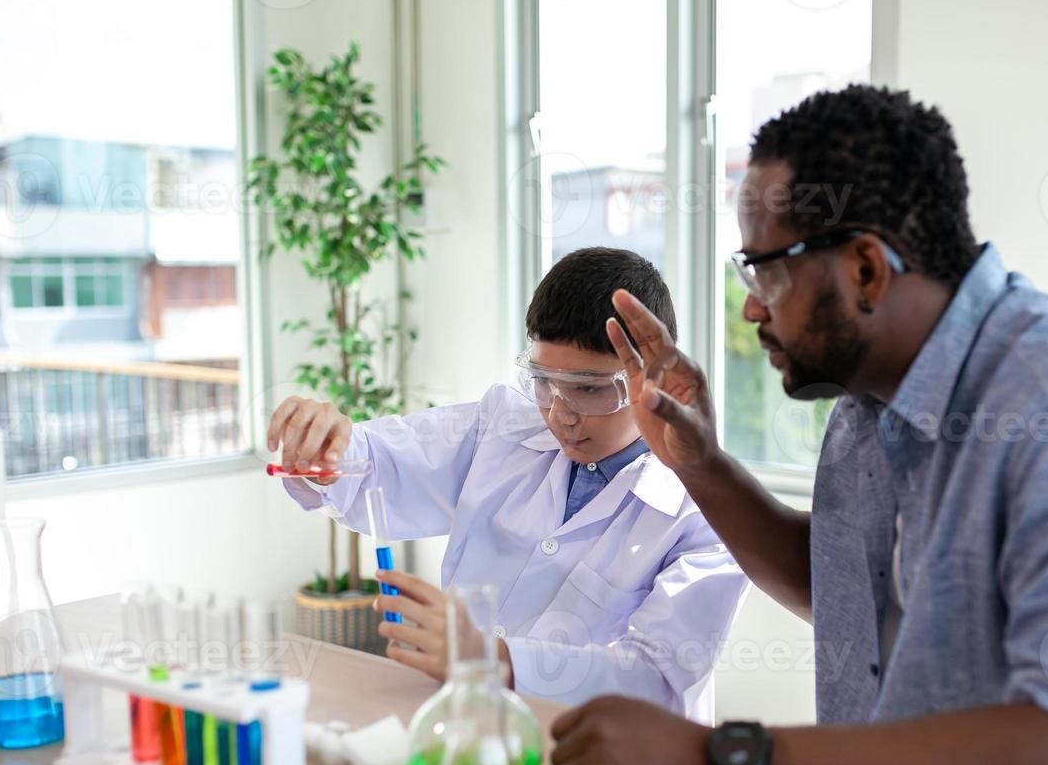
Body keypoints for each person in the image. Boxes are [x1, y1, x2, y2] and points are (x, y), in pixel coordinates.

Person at [548, 85, 1048, 765]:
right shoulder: (866, 411)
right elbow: (847, 599)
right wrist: (700, 463)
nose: (752, 311)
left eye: (765, 272)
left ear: (865, 269)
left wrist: (725, 757)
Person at [267, 247, 749, 721]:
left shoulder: (706, 509)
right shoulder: (502, 427)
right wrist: (328, 446)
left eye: (589, 389)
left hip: (606, 763)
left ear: (653, 379)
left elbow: (657, 681)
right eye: (543, 381)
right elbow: (378, 461)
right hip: (473, 731)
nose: (561, 414)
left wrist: (498, 661)